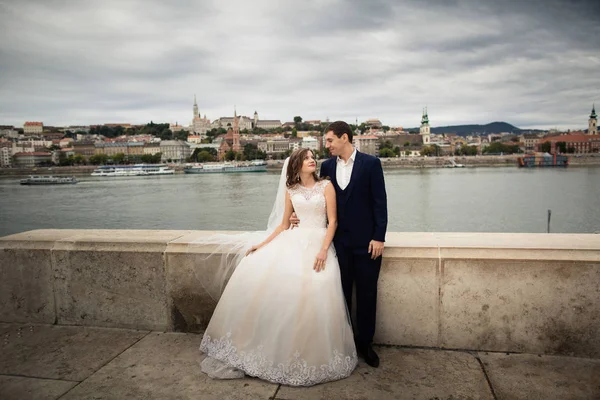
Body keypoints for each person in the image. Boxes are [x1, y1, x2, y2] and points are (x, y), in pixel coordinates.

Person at [198, 148, 357, 386]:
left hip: (319, 244)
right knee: (280, 291)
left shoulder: (326, 186)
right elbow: (284, 224)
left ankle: (313, 355)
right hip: (294, 241)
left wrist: (323, 250)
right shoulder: (291, 190)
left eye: (313, 157)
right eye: (306, 158)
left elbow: (333, 221)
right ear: (296, 164)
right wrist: (260, 245)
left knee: (318, 292)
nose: (312, 160)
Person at [291, 121, 388, 368]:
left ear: (345, 138)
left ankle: (365, 344)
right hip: (338, 245)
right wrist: (295, 216)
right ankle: (343, 344)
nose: (328, 145)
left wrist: (379, 237)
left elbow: (380, 203)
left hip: (367, 243)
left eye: (331, 140)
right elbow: (317, 202)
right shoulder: (326, 167)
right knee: (340, 296)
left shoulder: (371, 164)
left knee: (367, 295)